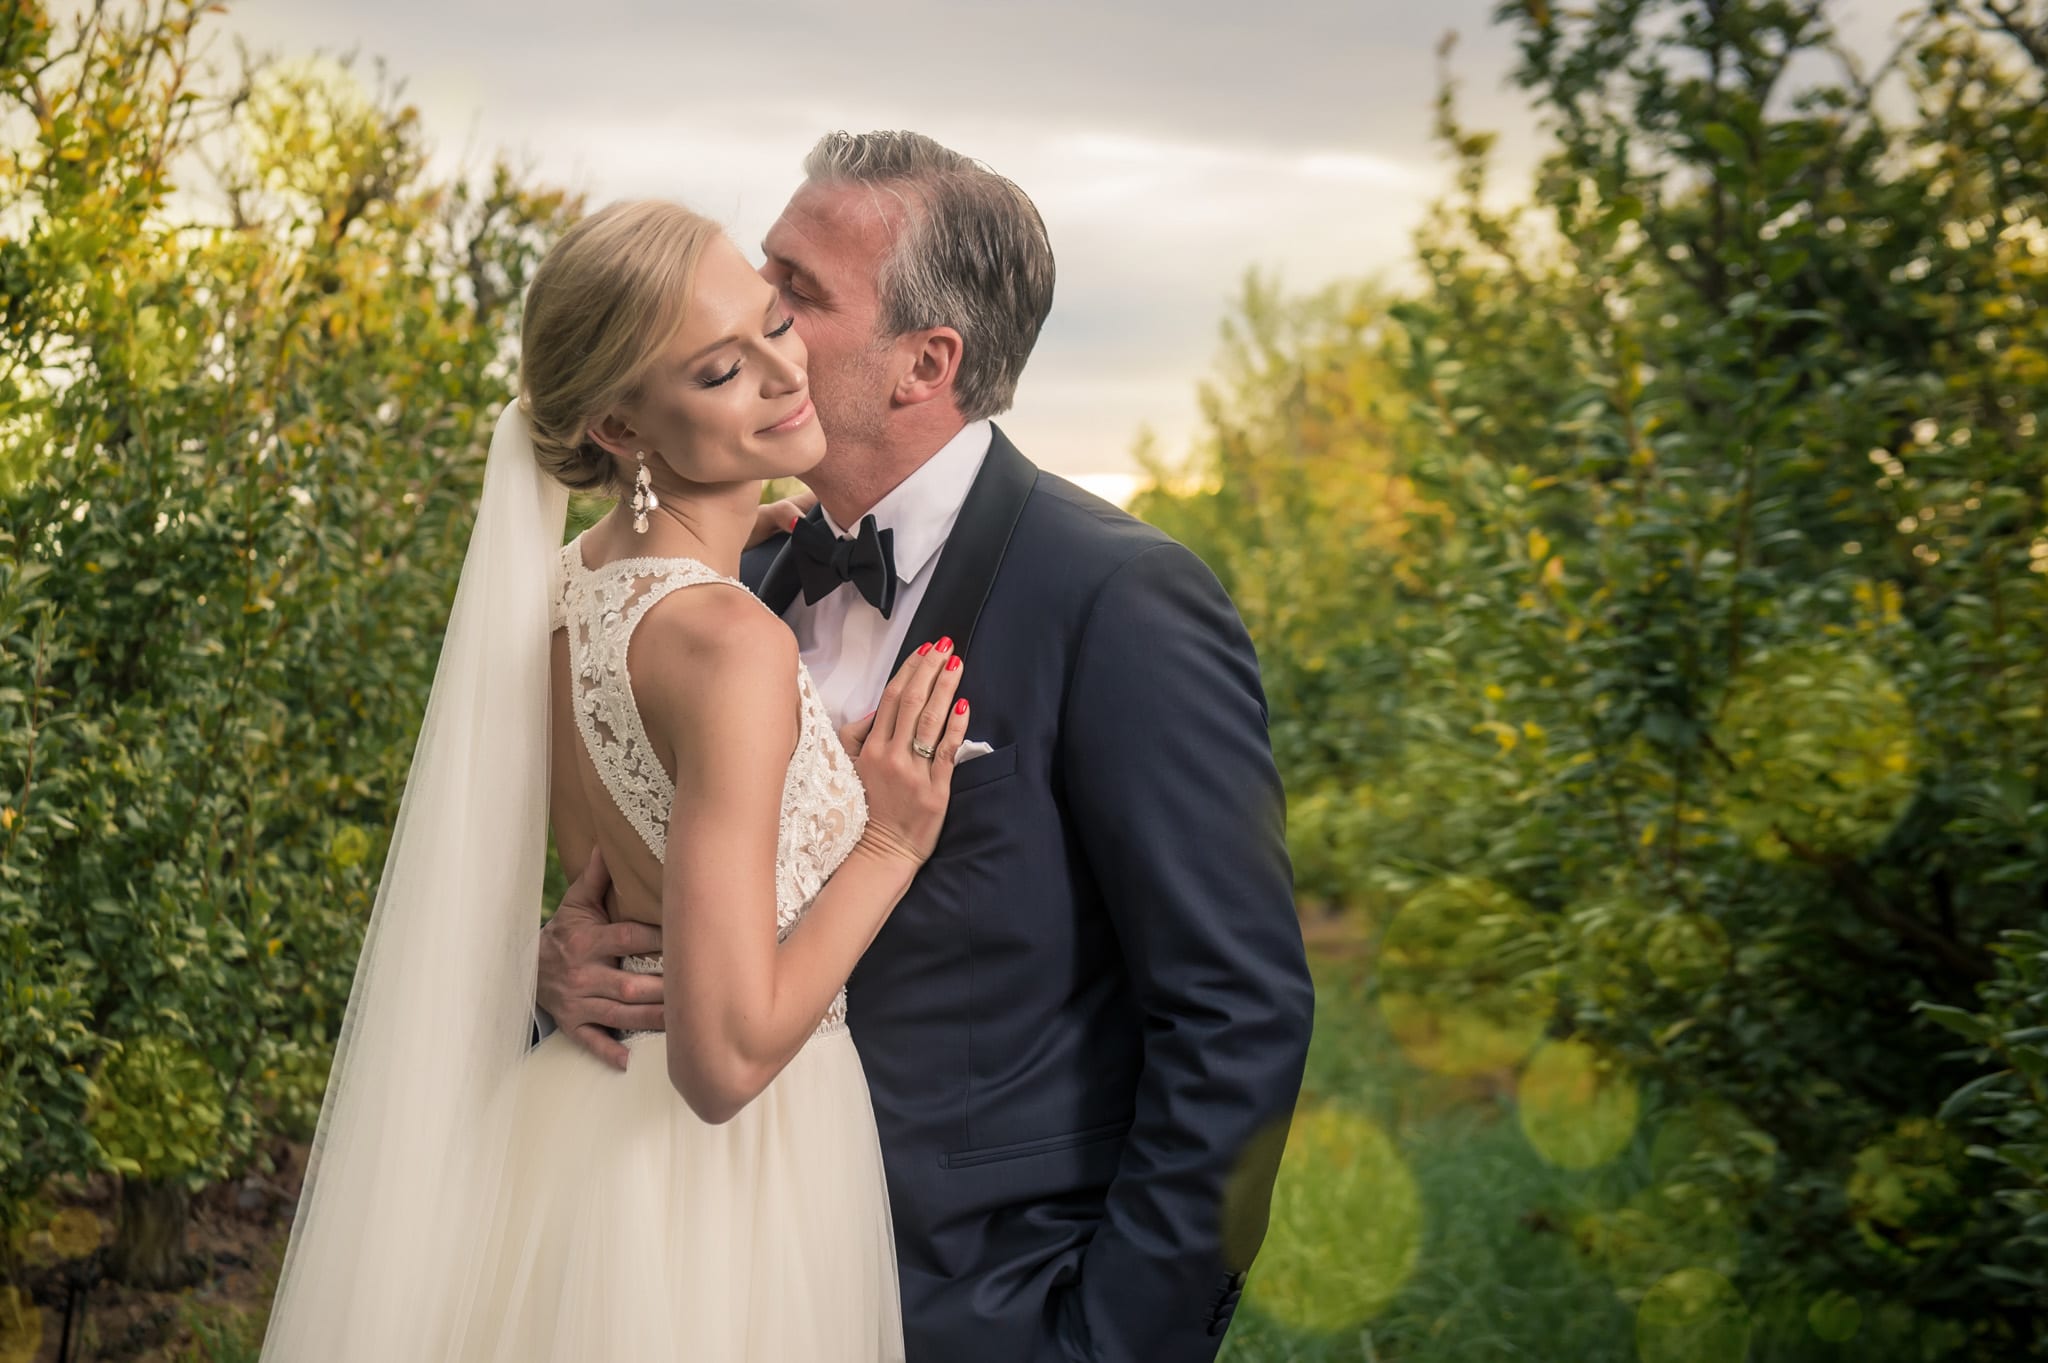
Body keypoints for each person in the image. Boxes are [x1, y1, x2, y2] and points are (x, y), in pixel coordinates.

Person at [537, 131, 1316, 1363]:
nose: (754, 306)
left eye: (795, 292)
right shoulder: (714, 588)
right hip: (693, 1268)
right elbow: (647, 887)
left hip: (975, 1306)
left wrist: (1112, 1342)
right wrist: (560, 971)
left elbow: (1234, 1018)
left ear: (925, 363)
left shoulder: (1119, 601)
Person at [260, 199, 958, 1361]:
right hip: (726, 1181)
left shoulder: (554, 592)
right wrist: (885, 843)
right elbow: (722, 1062)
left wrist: (738, 513)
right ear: (621, 425)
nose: (783, 372)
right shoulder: (728, 647)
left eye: (774, 320)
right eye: (720, 371)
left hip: (577, 1127)